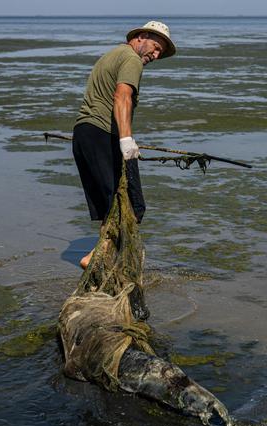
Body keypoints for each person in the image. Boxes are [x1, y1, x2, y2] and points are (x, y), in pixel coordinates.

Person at [72, 21, 176, 269]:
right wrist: (126, 140)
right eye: (155, 46)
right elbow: (122, 96)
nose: (156, 54)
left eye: (160, 52)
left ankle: (103, 260)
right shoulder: (131, 59)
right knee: (132, 204)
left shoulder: (111, 55)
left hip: (84, 134)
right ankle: (95, 258)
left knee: (112, 204)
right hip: (102, 134)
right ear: (141, 37)